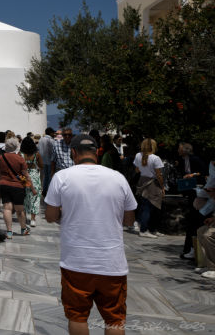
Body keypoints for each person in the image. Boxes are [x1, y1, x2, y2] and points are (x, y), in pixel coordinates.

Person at [45, 134, 137, 335]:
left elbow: (50, 216)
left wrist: (66, 214)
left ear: (73, 153)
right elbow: (129, 220)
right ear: (97, 152)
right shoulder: (118, 178)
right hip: (112, 263)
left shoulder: (62, 177)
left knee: (77, 315)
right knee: (114, 318)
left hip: (76, 262)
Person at [0, 137, 32, 238]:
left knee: (7, 208)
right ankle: (23, 229)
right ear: (17, 146)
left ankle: (9, 231)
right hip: (17, 186)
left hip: (4, 185)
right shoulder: (20, 159)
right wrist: (30, 185)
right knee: (19, 210)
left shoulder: (1, 157)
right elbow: (26, 175)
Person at [134, 138, 164, 238]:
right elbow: (159, 175)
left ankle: (151, 229)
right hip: (152, 183)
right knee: (151, 207)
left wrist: (144, 170)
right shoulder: (156, 158)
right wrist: (162, 187)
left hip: (142, 181)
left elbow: (137, 170)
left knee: (145, 206)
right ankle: (144, 230)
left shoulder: (138, 155)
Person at [20, 136, 43, 227]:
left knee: (25, 198)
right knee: (35, 198)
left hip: (23, 177)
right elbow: (41, 165)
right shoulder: (36, 154)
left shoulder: (20, 154)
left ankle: (25, 218)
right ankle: (33, 219)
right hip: (34, 176)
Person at [38, 127, 55, 195]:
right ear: (50, 133)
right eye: (53, 132)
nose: (54, 134)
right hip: (50, 160)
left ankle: (44, 190)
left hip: (42, 160)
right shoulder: (51, 140)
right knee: (50, 176)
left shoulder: (41, 139)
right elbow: (53, 151)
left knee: (45, 176)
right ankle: (49, 191)